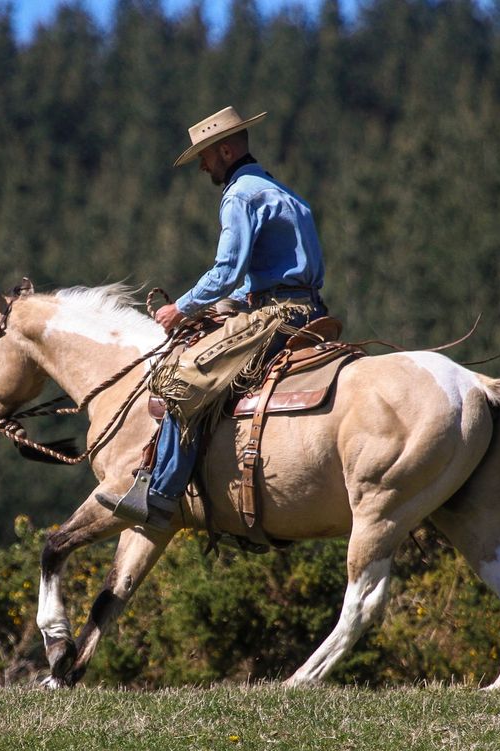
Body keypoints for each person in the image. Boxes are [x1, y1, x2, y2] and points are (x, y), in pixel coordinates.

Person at [97, 106, 328, 529]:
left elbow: (227, 271)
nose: (201, 165)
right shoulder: (281, 191)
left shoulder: (240, 195)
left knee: (182, 381)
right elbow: (268, 272)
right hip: (309, 308)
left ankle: (160, 494)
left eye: (204, 155)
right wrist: (228, 305)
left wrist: (180, 308)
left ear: (224, 151)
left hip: (277, 315)